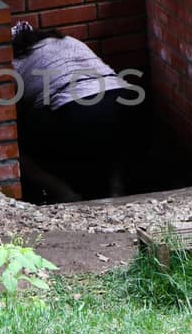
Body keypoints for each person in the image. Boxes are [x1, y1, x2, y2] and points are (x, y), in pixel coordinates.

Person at [11, 20, 139, 201]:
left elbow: (11, 110)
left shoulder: (14, 61)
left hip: (74, 109)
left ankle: (64, 193)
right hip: (125, 100)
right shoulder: (69, 41)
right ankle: (116, 190)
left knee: (11, 147)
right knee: (115, 142)